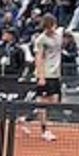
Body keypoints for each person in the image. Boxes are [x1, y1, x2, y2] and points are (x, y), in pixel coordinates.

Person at [27, 13, 63, 141]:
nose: (52, 28)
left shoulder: (59, 36)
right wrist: (41, 76)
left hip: (55, 74)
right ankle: (44, 130)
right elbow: (38, 58)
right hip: (45, 73)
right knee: (43, 102)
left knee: (54, 100)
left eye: (53, 26)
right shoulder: (40, 40)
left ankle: (27, 117)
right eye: (49, 26)